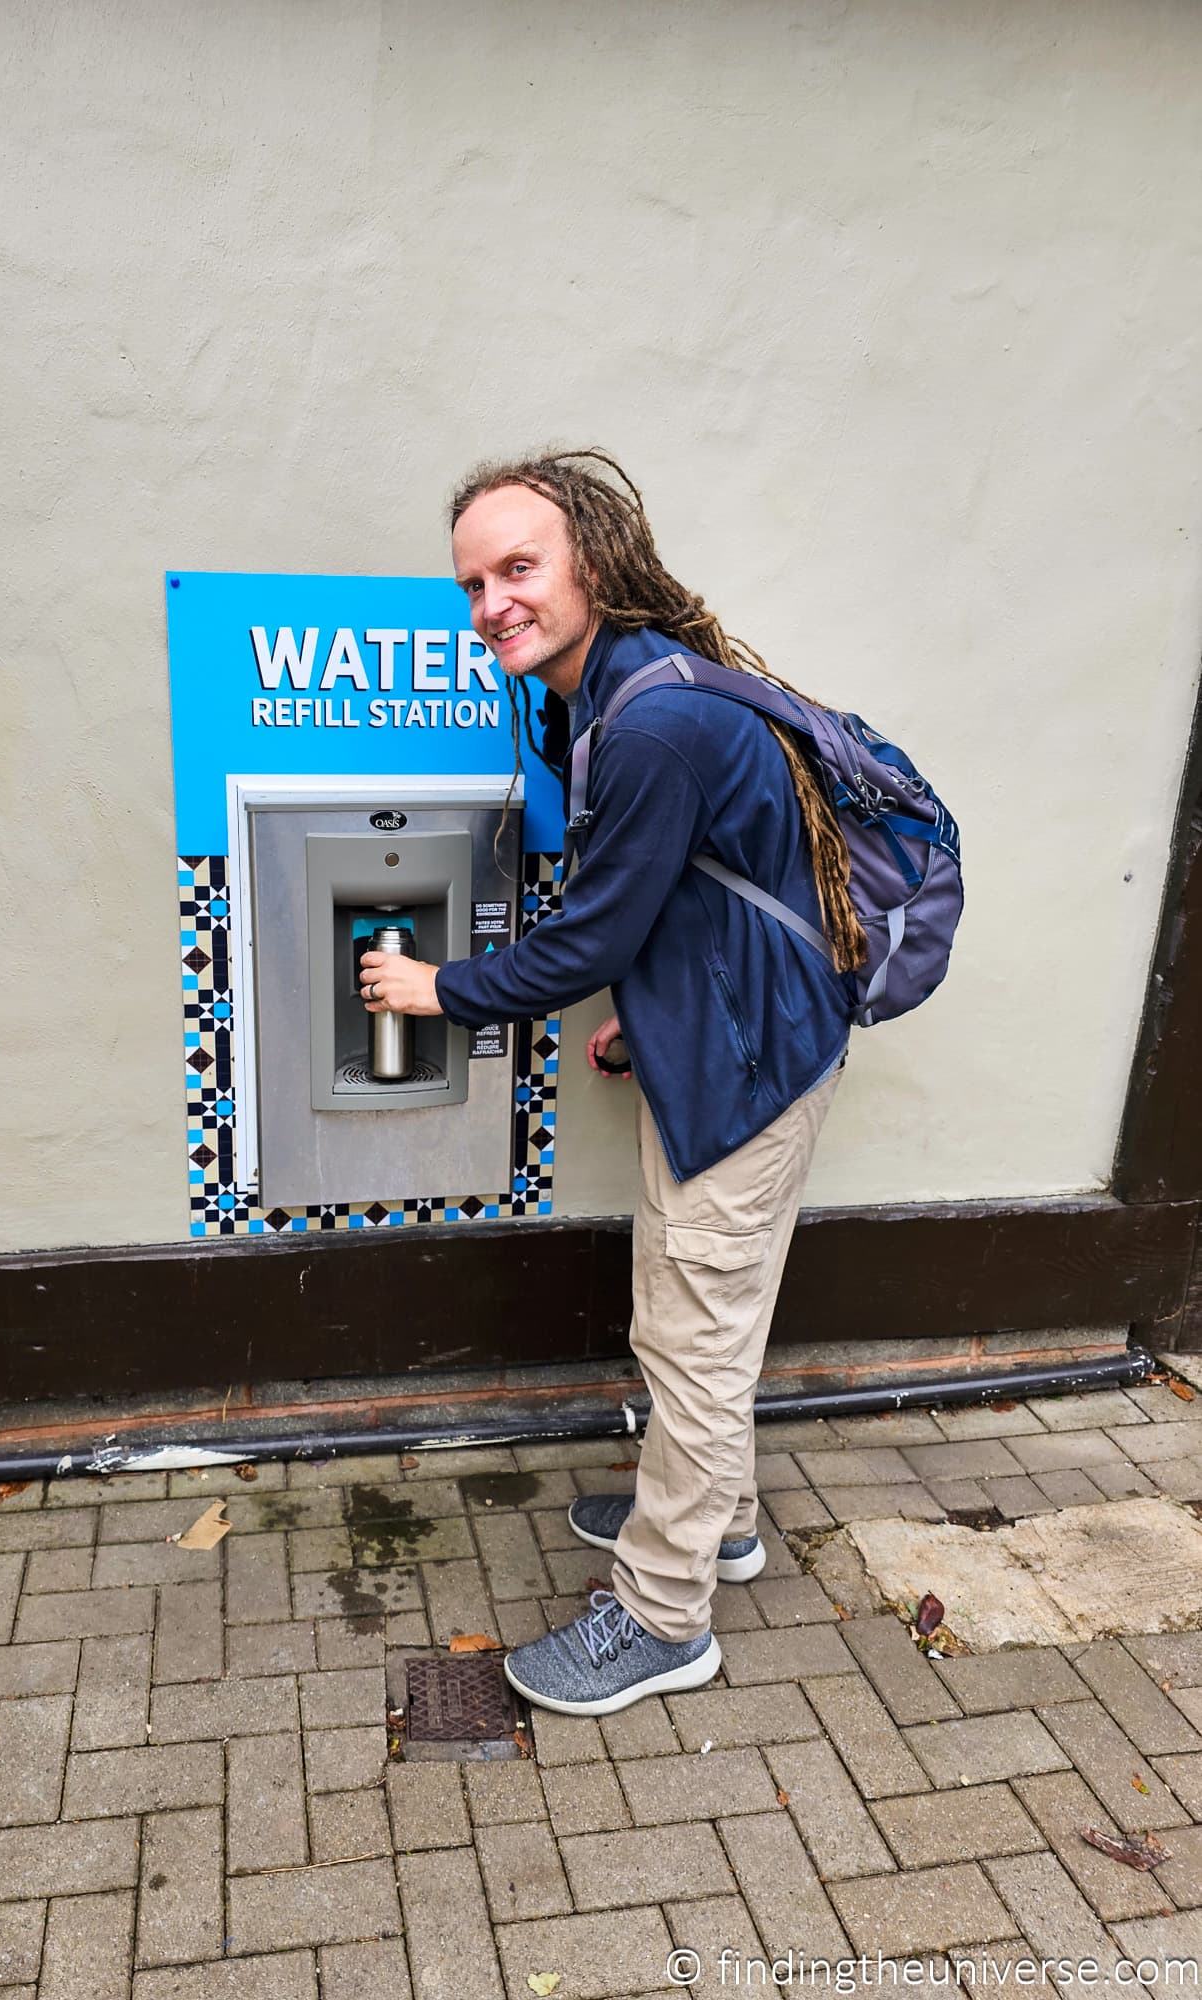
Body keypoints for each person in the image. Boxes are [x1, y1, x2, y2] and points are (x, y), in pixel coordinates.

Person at [358, 449, 858, 1715]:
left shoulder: (650, 721)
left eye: (517, 568)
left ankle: (663, 1613)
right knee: (702, 1313)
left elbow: (588, 936)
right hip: (725, 1034)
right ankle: (719, 1521)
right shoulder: (614, 694)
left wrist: (437, 992)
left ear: (594, 557)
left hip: (750, 1063)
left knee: (690, 1332)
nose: (490, 605)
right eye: (472, 581)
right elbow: (692, 895)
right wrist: (649, 1015)